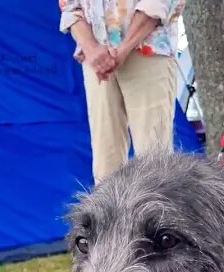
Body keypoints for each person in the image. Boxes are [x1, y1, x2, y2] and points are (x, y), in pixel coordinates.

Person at [59, 0, 186, 182]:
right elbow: (70, 7)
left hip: (148, 50)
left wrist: (123, 49)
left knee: (154, 160)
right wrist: (92, 49)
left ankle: (155, 211)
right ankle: (106, 210)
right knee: (105, 160)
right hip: (96, 59)